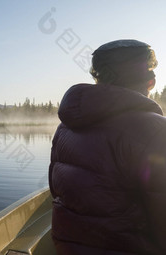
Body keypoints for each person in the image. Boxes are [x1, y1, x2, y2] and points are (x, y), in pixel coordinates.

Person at [49, 39, 166, 255]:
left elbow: (55, 192)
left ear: (98, 77)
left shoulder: (65, 127)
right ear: (151, 82)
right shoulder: (156, 130)